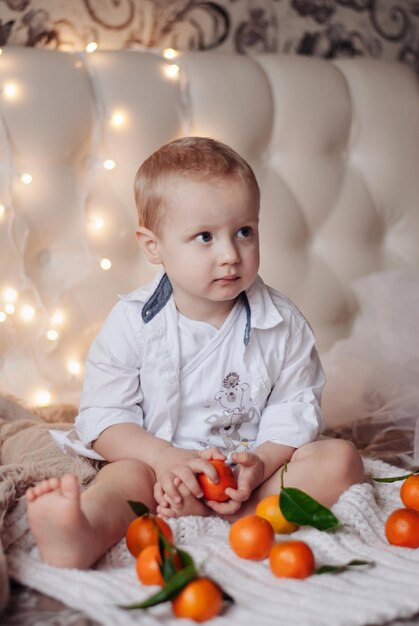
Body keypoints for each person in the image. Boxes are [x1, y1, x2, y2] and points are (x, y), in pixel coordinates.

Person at [26, 137, 364, 569]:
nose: (229, 255)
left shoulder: (282, 322)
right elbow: (105, 417)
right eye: (204, 237)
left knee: (339, 460)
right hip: (158, 468)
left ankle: (244, 512)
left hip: (250, 472)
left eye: (244, 231)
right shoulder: (133, 322)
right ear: (153, 246)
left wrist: (261, 463)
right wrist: (165, 458)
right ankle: (82, 532)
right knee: (121, 479)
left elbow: (295, 405)